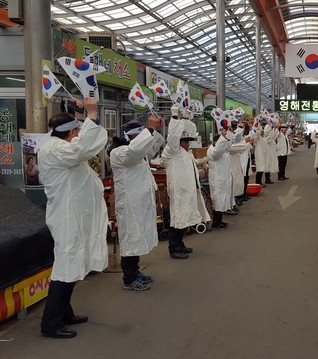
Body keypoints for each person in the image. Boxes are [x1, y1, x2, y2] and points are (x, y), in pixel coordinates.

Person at [38, 97, 107, 339]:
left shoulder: (60, 147)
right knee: (66, 264)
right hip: (66, 216)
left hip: (72, 214)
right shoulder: (56, 149)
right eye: (77, 129)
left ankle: (64, 312)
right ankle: (51, 323)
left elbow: (79, 148)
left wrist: (82, 114)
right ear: (72, 131)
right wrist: (91, 114)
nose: (79, 133)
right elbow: (81, 149)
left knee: (71, 263)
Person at [109, 116, 165, 291]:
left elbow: (153, 147)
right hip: (130, 205)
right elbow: (135, 151)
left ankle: (135, 271)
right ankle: (129, 278)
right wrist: (149, 130)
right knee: (131, 238)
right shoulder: (119, 153)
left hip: (139, 203)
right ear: (131, 138)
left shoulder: (136, 153)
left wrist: (155, 131)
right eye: (139, 137)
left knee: (138, 236)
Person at [161, 108, 210, 259]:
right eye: (185, 142)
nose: (188, 145)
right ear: (178, 142)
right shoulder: (171, 151)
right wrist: (175, 118)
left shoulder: (185, 153)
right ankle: (173, 248)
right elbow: (172, 138)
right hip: (179, 191)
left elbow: (195, 162)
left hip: (188, 190)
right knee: (177, 219)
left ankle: (180, 245)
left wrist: (186, 119)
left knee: (185, 218)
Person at [208, 128, 235, 229]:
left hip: (223, 179)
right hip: (218, 181)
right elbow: (217, 152)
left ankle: (220, 220)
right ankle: (216, 222)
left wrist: (229, 134)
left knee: (222, 201)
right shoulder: (212, 150)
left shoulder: (222, 151)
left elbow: (228, 145)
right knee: (218, 201)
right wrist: (222, 138)